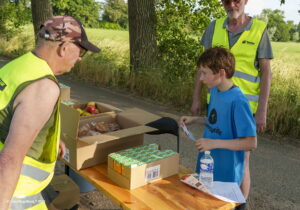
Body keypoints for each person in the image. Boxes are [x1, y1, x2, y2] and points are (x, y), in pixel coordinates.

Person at [0, 16, 100, 210]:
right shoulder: (44, 86)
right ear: (64, 47)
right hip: (15, 193)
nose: (79, 58)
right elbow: (10, 158)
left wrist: (51, 140)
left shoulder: (18, 66)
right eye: (81, 51)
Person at [190, 0, 273, 203]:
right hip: (218, 98)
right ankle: (218, 197)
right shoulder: (214, 26)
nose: (232, 4)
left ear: (245, 1)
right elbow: (203, 67)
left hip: (244, 104)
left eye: (237, 0)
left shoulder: (260, 29)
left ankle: (238, 202)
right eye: (227, 1)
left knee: (241, 160)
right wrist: (195, 99)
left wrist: (262, 110)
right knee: (218, 156)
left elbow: (266, 72)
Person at [181, 47, 257, 206]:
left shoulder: (238, 101)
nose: (201, 78)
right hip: (209, 166)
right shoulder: (215, 91)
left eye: (204, 73)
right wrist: (195, 120)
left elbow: (251, 142)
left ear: (221, 73)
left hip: (227, 174)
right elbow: (215, 120)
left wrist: (213, 143)